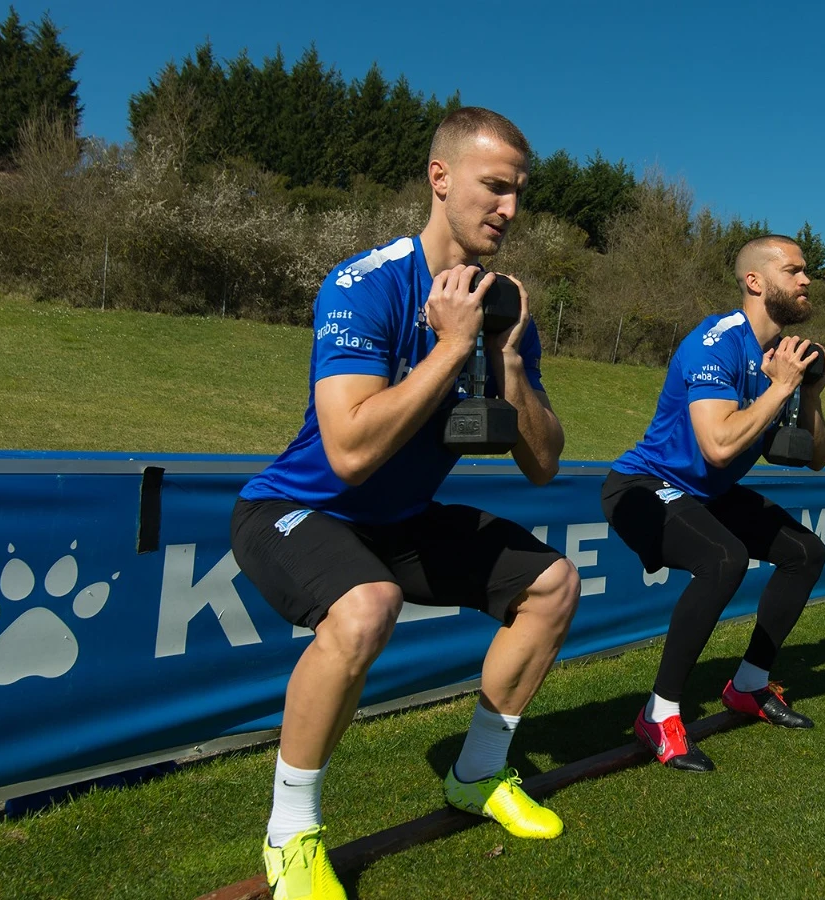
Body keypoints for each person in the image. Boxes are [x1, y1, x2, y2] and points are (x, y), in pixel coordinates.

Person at [230, 108, 582, 900]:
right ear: (441, 179)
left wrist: (506, 361)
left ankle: (478, 775)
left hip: (397, 521)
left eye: (520, 193)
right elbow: (350, 448)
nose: (510, 209)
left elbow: (544, 463)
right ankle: (290, 835)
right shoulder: (366, 283)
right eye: (495, 187)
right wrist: (451, 346)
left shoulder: (504, 306)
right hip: (296, 507)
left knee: (553, 585)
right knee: (363, 608)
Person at [602, 235, 825, 772]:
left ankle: (748, 684)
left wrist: (809, 393)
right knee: (723, 557)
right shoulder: (717, 340)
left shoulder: (780, 359)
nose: (806, 281)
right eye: (794, 271)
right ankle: (658, 715)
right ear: (755, 282)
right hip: (642, 485)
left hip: (707, 492)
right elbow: (719, 444)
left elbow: (816, 457)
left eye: (807, 272)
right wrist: (780, 389)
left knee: (806, 553)